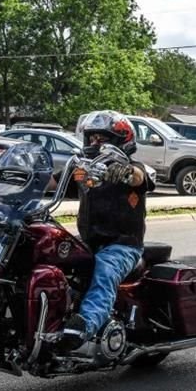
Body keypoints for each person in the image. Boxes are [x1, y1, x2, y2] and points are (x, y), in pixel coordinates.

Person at [59, 110, 155, 351]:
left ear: (120, 140)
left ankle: (85, 325)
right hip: (89, 241)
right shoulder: (83, 170)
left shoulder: (131, 167)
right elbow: (50, 182)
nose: (95, 143)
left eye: (102, 138)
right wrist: (5, 176)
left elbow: (140, 178)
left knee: (104, 270)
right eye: (91, 138)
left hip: (123, 245)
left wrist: (124, 172)